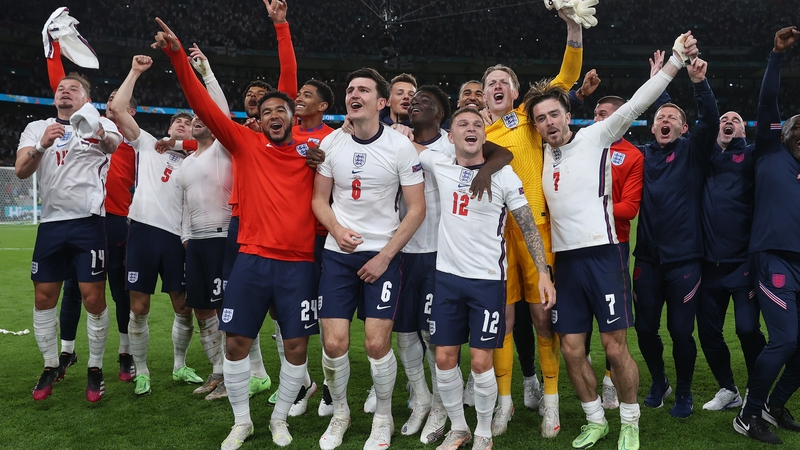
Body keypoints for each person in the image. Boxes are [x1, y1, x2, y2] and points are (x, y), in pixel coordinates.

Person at [526, 31, 698, 450]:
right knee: (570, 348)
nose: (549, 123)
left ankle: (630, 420)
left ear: (568, 113)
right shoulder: (539, 156)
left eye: (554, 114)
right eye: (540, 119)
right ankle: (594, 419)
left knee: (614, 347)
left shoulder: (596, 136)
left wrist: (675, 60)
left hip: (604, 256)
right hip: (565, 263)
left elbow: (640, 100)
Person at [155, 17, 320, 449]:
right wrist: (177, 55)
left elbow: (289, 81)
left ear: (292, 114)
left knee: (298, 348)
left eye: (280, 109)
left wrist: (283, 28)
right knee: (237, 343)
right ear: (258, 121)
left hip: (298, 262)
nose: (273, 116)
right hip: (251, 258)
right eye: (265, 112)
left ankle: (279, 418)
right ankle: (242, 421)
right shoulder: (244, 143)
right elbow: (203, 105)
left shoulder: (313, 149)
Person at [415, 106, 554, 450]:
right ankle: (459, 428)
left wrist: (544, 273)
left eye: (478, 124)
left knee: (480, 362)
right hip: (446, 280)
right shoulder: (439, 164)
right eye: (463, 124)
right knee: (445, 357)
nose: (471, 128)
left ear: (484, 134)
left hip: (488, 283)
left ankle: (483, 430)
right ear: (451, 137)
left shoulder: (505, 176)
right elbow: (396, 145)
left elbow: (527, 227)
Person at [481, 8, 582, 437]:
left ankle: (552, 403)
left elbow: (566, 77)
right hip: (494, 238)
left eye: (505, 82)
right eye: (491, 84)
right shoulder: (476, 135)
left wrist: (574, 29)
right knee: (503, 320)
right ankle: (503, 405)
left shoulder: (528, 117)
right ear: (483, 96)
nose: (498, 87)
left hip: (538, 229)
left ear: (516, 92)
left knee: (543, 319)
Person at [313, 67, 426, 450]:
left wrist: (384, 256)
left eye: (363, 89)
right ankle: (341, 413)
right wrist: (335, 229)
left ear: (381, 103)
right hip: (338, 255)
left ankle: (383, 417)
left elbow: (416, 210)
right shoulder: (332, 144)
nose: (353, 93)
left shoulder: (399, 146)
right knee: (333, 344)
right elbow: (318, 199)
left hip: (384, 255)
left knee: (377, 345)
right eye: (349, 89)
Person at [393, 85, 513, 444]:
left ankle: (469, 423)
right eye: (412, 102)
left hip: (456, 263)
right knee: (417, 338)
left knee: (461, 352)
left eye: (425, 102)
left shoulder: (452, 145)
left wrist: (486, 170)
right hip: (411, 252)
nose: (416, 105)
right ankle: (434, 408)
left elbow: (502, 152)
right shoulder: (403, 143)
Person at [16, 72, 122, 402]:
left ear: (85, 99)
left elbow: (112, 144)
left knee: (93, 298)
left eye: (73, 89)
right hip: (50, 224)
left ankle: (95, 367)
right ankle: (50, 366)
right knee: (44, 297)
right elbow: (20, 170)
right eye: (61, 88)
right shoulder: (37, 128)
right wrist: (41, 145)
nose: (65, 92)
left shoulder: (100, 122)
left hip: (88, 224)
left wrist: (97, 129)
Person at [633, 33, 720, 419]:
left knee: (681, 332)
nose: (664, 121)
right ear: (651, 129)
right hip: (647, 260)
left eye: (672, 119)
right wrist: (658, 87)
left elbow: (710, 120)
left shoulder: (692, 150)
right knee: (645, 329)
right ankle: (659, 380)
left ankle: (683, 389)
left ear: (684, 129)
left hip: (685, 260)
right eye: (659, 119)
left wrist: (698, 82)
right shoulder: (642, 155)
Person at [44, 40, 137, 384]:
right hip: (84, 219)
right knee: (72, 289)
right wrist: (53, 45)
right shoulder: (84, 129)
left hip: (115, 223)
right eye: (108, 100)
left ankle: (124, 352)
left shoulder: (129, 138)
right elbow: (64, 90)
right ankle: (67, 352)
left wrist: (134, 72)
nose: (111, 104)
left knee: (116, 290)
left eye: (119, 102)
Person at [111, 55, 201, 396]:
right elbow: (118, 110)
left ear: (194, 131)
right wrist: (134, 71)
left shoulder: (199, 159)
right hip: (145, 231)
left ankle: (179, 365)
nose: (182, 123)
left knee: (184, 307)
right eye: (177, 120)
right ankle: (143, 369)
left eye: (189, 121)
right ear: (168, 128)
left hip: (178, 239)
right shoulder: (148, 144)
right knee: (139, 306)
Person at [734, 25, 800, 445]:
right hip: (773, 259)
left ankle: (775, 405)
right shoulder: (771, 151)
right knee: (785, 339)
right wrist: (776, 55)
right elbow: (766, 101)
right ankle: (748, 413)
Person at [583, 89, 645, 410]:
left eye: (604, 114)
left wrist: (586, 205)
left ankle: (610, 378)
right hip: (576, 246)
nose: (597, 119)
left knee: (613, 329)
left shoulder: (633, 155)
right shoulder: (580, 147)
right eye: (595, 113)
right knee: (574, 327)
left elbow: (629, 208)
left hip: (612, 248)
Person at [178, 114, 231, 401]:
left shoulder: (221, 149)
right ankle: (217, 371)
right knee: (201, 310)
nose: (196, 119)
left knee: (226, 311)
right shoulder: (186, 162)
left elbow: (218, 111)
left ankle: (236, 376)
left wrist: (205, 73)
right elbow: (186, 203)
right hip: (195, 242)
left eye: (202, 116)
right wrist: (185, 236)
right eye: (193, 117)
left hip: (221, 237)